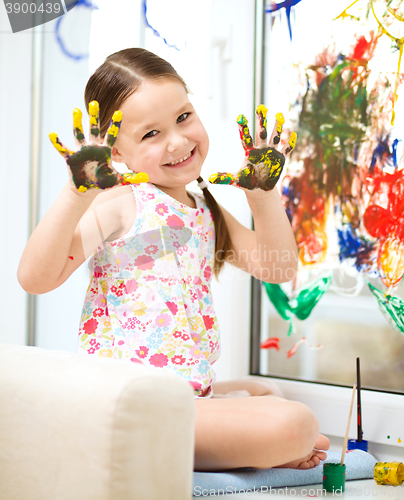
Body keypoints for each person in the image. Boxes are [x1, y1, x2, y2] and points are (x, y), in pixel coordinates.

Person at [18, 48, 330, 471]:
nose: (179, 141)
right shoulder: (121, 202)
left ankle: (267, 441)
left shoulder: (202, 204)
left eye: (183, 117)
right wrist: (77, 194)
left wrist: (263, 197)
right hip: (129, 403)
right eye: (151, 135)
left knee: (268, 396)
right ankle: (276, 442)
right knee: (297, 424)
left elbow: (277, 268)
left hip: (182, 395)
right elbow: (35, 278)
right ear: (116, 153)